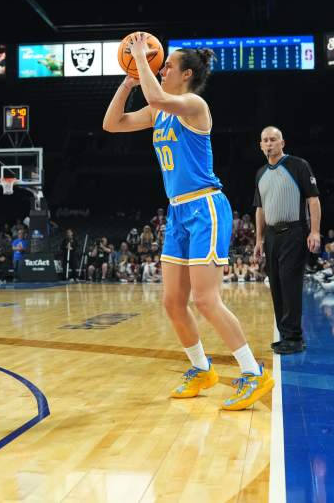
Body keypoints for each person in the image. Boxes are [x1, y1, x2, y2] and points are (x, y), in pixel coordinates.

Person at [103, 34, 273, 410]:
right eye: (160, 66)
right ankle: (201, 369)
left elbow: (157, 97)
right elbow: (112, 124)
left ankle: (253, 372)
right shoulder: (158, 112)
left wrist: (140, 61)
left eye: (168, 66)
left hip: (205, 206)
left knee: (206, 300)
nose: (162, 69)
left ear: (187, 75)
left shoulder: (194, 105)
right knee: (172, 302)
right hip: (178, 211)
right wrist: (128, 81)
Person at [252, 126, 322, 355]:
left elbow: (313, 200)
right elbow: (260, 209)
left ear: (282, 143)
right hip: (271, 235)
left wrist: (314, 232)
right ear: (260, 145)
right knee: (276, 285)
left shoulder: (298, 165)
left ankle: (294, 338)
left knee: (289, 284)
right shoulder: (260, 173)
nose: (269, 143)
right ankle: (285, 334)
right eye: (265, 140)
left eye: (273, 139)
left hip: (294, 232)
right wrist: (259, 239)